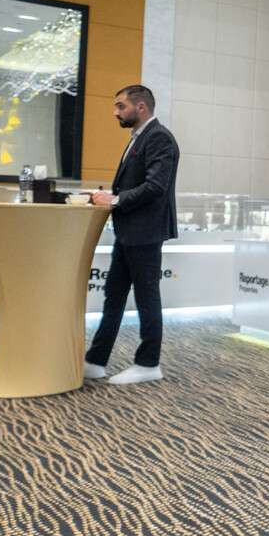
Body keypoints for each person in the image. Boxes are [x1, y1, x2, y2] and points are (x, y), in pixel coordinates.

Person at [84, 84, 180, 385]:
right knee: (113, 296)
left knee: (146, 298)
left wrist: (114, 199)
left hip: (146, 233)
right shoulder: (139, 138)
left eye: (120, 106)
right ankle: (96, 360)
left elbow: (155, 187)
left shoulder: (159, 138)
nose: (116, 112)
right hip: (128, 232)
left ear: (141, 107)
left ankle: (149, 363)